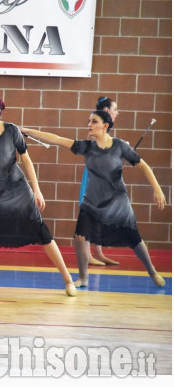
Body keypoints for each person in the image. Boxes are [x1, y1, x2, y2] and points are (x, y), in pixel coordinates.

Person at [21, 111, 166, 288]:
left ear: (105, 126)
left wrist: (157, 189)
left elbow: (144, 165)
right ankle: (83, 278)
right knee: (81, 237)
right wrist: (27, 130)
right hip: (92, 202)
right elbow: (56, 139)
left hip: (117, 202)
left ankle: (152, 271)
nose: (89, 124)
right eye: (88, 121)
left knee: (133, 238)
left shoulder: (120, 146)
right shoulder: (87, 147)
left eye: (94, 121)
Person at [0, 95, 76, 296]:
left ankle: (68, 280)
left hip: (18, 191)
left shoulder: (12, 131)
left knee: (42, 233)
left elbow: (26, 161)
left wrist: (36, 189)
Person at [80, 96, 120, 266]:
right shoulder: (96, 127)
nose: (117, 112)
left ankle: (98, 252)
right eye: (115, 109)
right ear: (106, 111)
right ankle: (86, 255)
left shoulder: (106, 130)